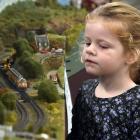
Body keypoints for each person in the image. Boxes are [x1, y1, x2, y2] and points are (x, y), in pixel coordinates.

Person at [67, 1, 140, 139]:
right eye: (88, 42)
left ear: (131, 55)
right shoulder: (86, 89)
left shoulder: (136, 104)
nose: (89, 50)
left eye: (103, 46)